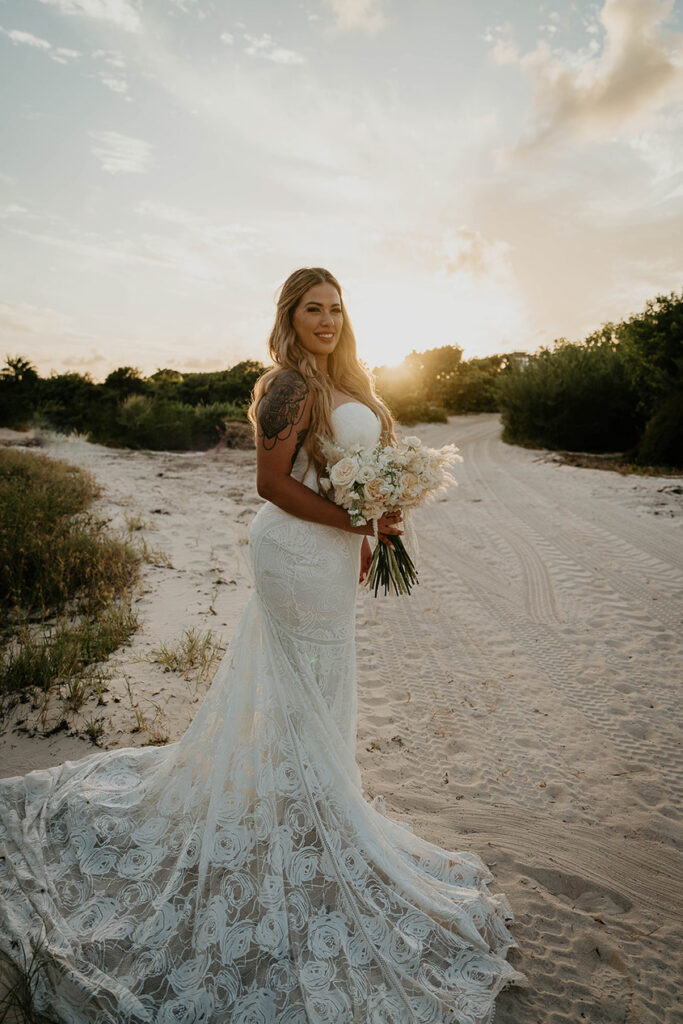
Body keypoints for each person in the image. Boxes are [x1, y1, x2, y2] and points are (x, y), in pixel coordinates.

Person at [0, 267, 528, 1023]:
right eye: (313, 308)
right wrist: (356, 520)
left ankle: (308, 811)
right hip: (292, 552)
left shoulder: (355, 386)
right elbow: (271, 483)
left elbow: (351, 476)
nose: (327, 319)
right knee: (300, 679)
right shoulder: (285, 385)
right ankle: (297, 821)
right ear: (289, 315)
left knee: (320, 680)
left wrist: (382, 518)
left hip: (332, 553)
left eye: (336, 308)